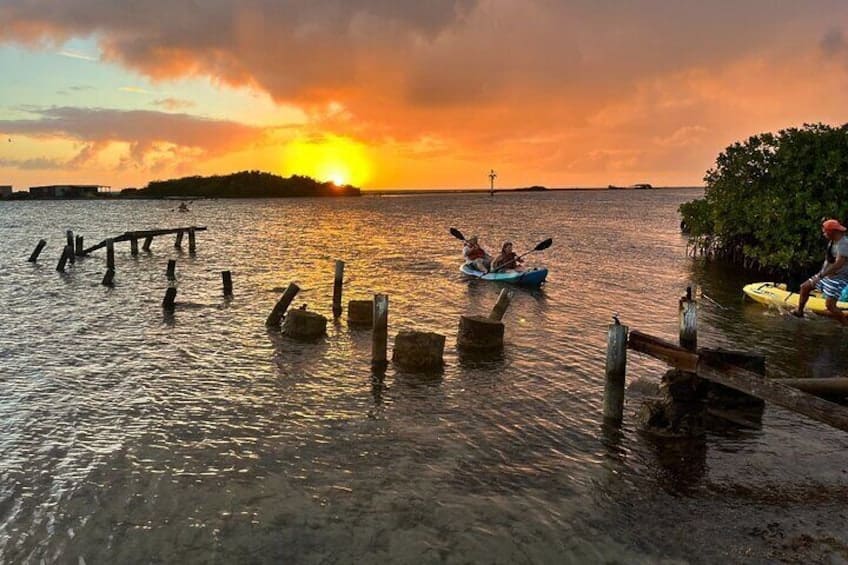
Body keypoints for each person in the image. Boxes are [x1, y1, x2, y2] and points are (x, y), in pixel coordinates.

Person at [792, 218, 848, 325]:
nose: (823, 234)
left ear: (832, 231)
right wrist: (820, 274)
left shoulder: (844, 244)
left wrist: (822, 275)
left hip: (839, 278)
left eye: (825, 232)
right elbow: (828, 260)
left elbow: (839, 263)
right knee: (805, 287)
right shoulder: (832, 242)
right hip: (826, 275)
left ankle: (845, 325)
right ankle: (799, 311)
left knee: (830, 306)